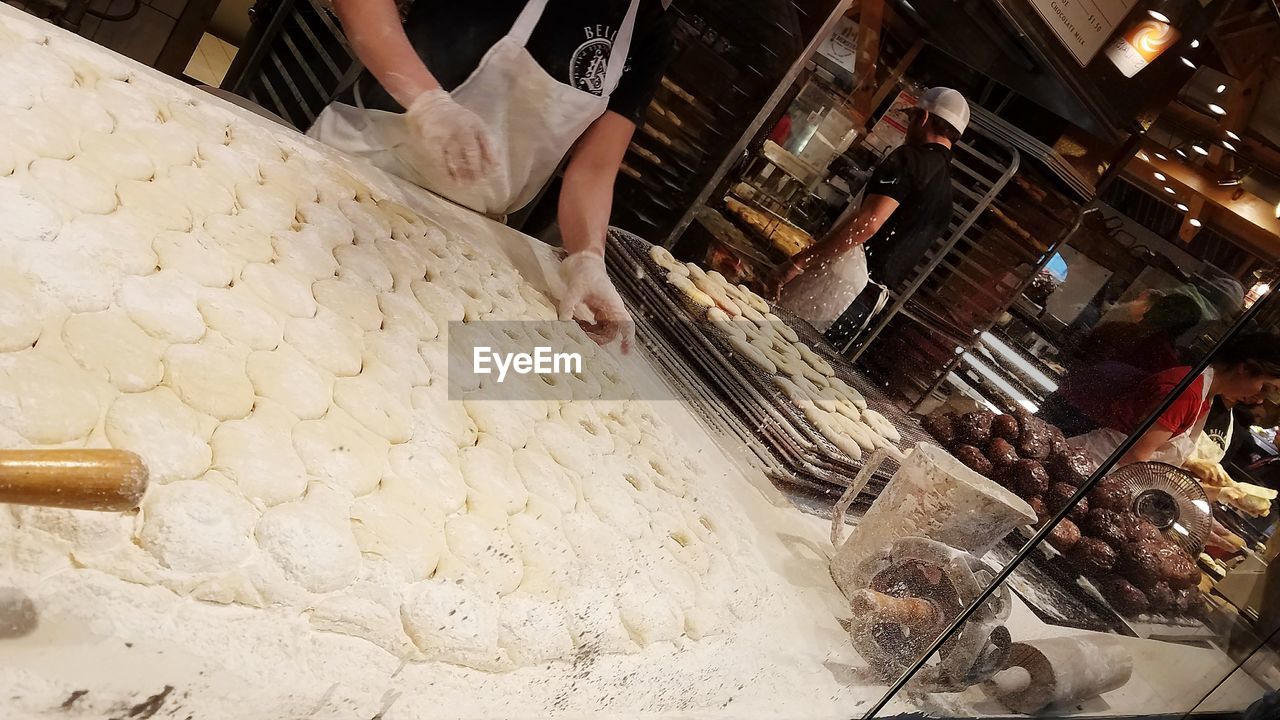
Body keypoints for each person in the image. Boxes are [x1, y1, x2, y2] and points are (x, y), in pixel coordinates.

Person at [308, 0, 677, 351]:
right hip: (359, 175)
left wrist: (588, 256)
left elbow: (594, 170)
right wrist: (428, 102)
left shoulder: (647, 32)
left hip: (466, 238)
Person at [769, 87, 969, 349]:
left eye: (911, 118)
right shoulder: (945, 195)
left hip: (838, 287)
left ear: (922, 118)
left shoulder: (909, 158)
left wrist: (798, 262)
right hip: (868, 301)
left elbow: (867, 224)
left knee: (776, 343)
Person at [1069, 332, 1280, 470]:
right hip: (1093, 464)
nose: (1260, 400)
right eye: (1265, 388)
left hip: (1105, 468)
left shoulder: (1206, 395)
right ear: (1244, 368)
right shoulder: (1187, 391)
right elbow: (1136, 455)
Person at [1039, 289, 1203, 435]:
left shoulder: (1114, 329)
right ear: (1183, 330)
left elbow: (1075, 359)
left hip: (1071, 398)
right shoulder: (1167, 364)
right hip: (1094, 417)